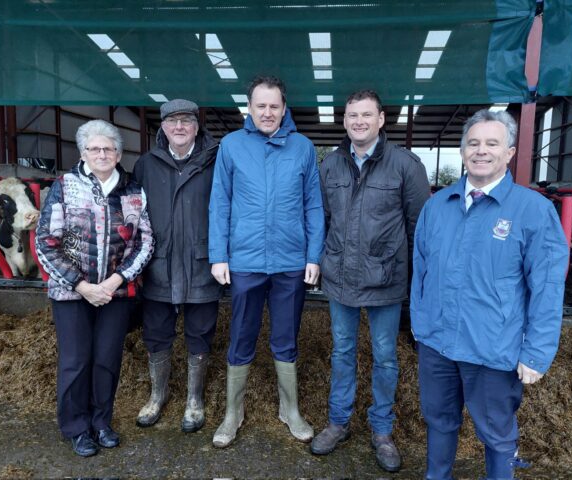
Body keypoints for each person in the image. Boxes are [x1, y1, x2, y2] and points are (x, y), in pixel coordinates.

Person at [411, 109, 569, 480]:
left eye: (492, 143)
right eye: (473, 143)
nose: (481, 151)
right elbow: (420, 270)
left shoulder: (532, 210)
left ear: (510, 152)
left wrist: (537, 351)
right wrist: (420, 324)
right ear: (463, 150)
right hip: (437, 343)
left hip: (493, 349)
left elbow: (547, 286)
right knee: (439, 420)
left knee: (496, 434)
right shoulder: (437, 206)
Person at [311, 89, 430, 473]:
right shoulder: (330, 165)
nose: (358, 122)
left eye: (366, 115)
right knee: (342, 350)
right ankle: (339, 422)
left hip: (386, 278)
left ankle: (381, 430)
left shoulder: (405, 165)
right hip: (340, 277)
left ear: (381, 119)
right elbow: (322, 219)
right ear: (343, 121)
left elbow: (419, 228)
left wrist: (417, 281)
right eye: (351, 116)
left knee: (384, 356)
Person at [208, 75, 325, 448]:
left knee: (286, 337)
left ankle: (289, 410)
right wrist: (218, 255)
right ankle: (233, 411)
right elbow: (219, 203)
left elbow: (313, 204)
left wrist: (313, 255)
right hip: (245, 259)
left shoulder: (303, 148)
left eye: (275, 106)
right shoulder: (231, 146)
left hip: (291, 260)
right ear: (250, 108)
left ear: (284, 108)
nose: (268, 112)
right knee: (241, 334)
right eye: (261, 106)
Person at [35, 119, 154, 457]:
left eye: (109, 148)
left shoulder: (132, 190)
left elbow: (145, 242)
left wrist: (117, 280)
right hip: (72, 294)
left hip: (115, 293)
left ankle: (101, 422)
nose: (102, 153)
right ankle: (76, 428)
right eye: (94, 148)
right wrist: (82, 285)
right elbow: (45, 241)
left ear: (119, 153)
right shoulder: (65, 185)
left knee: (106, 360)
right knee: (75, 361)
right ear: (83, 152)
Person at [132, 99, 222, 433]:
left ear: (197, 127)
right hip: (159, 264)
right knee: (156, 333)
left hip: (202, 264)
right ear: (163, 128)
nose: (180, 127)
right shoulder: (146, 165)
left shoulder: (215, 162)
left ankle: (194, 400)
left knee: (200, 333)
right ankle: (158, 395)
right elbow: (133, 215)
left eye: (186, 121)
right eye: (172, 121)